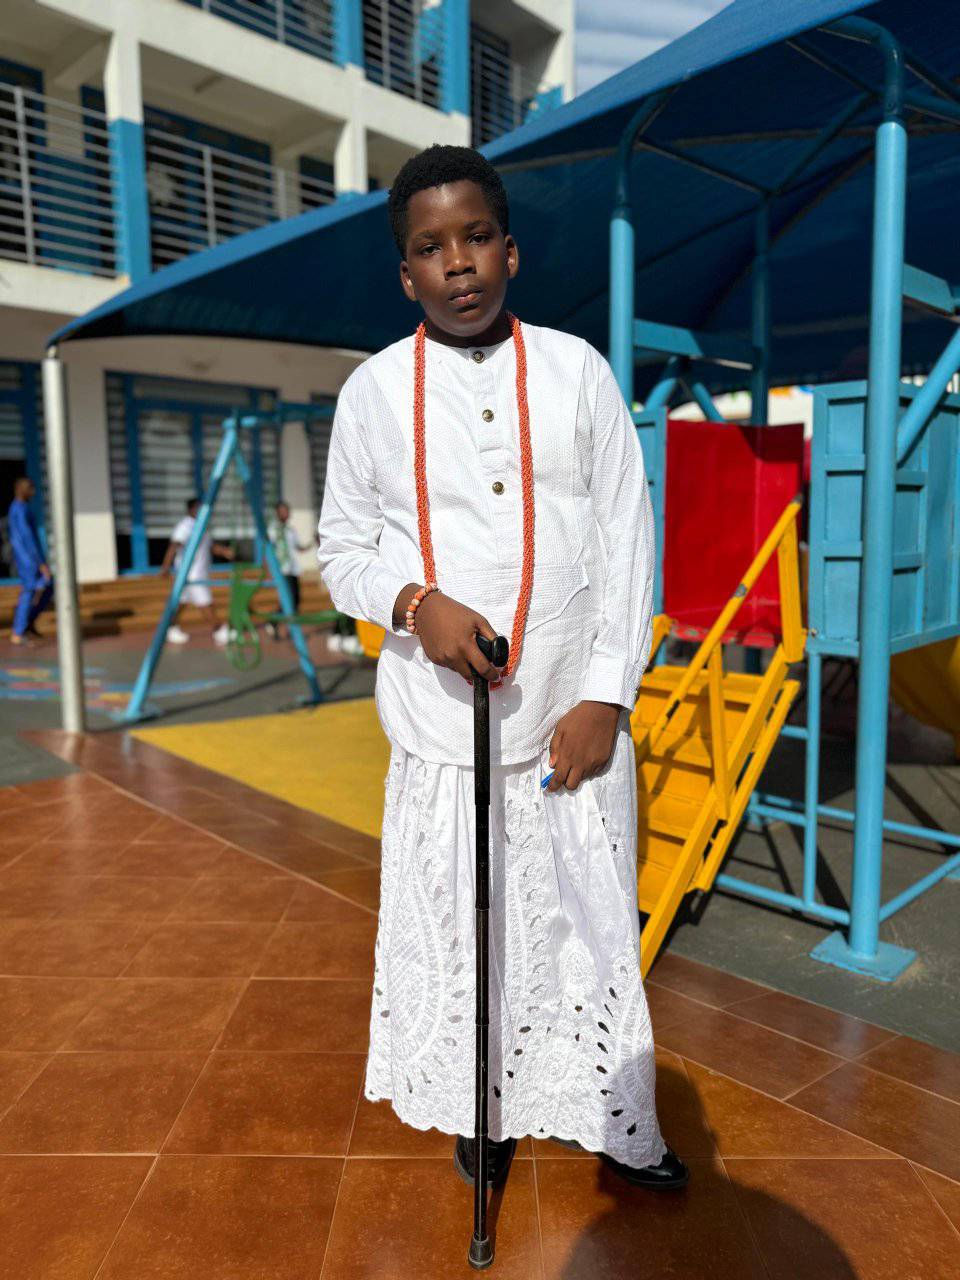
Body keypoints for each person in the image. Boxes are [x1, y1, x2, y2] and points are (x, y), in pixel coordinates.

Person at [317, 145, 687, 1191]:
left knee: (585, 930)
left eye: (477, 236)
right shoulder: (374, 392)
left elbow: (627, 535)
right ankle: (479, 1109)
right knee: (473, 935)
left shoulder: (578, 370)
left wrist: (607, 693)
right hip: (445, 735)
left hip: (574, 724)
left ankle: (616, 1116)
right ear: (406, 277)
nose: (459, 263)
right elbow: (343, 546)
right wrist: (415, 604)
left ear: (512, 250)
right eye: (431, 248)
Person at [160, 497, 234, 645]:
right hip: (191, 574)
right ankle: (218, 630)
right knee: (205, 602)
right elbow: (174, 546)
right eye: (200, 508)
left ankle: (170, 628)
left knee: (181, 603)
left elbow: (209, 546)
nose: (204, 511)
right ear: (191, 509)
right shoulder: (184, 527)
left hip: (197, 573)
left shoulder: (201, 526)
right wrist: (165, 568)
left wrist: (224, 551)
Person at [7, 477, 52, 647]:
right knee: (28, 593)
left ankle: (28, 623)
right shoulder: (19, 510)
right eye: (30, 489)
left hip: (29, 559)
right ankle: (18, 632)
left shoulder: (22, 508)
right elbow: (27, 538)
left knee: (48, 587)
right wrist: (40, 562)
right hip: (28, 560)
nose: (33, 492)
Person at [266, 500, 310, 639]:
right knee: (288, 600)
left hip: (293, 569)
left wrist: (311, 544)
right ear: (278, 512)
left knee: (296, 600)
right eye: (283, 510)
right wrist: (268, 569)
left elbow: (298, 548)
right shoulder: (272, 529)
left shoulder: (291, 530)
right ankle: (282, 625)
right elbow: (268, 549)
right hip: (282, 570)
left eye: (287, 510)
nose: (286, 513)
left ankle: (283, 625)